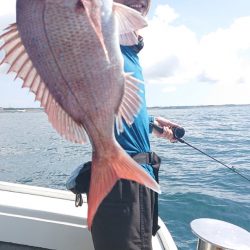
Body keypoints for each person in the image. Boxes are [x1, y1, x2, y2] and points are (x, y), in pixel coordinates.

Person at [91, 1, 180, 249]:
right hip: (123, 183)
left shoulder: (130, 54)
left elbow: (113, 109)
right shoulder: (106, 45)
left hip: (134, 181)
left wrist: (152, 125)